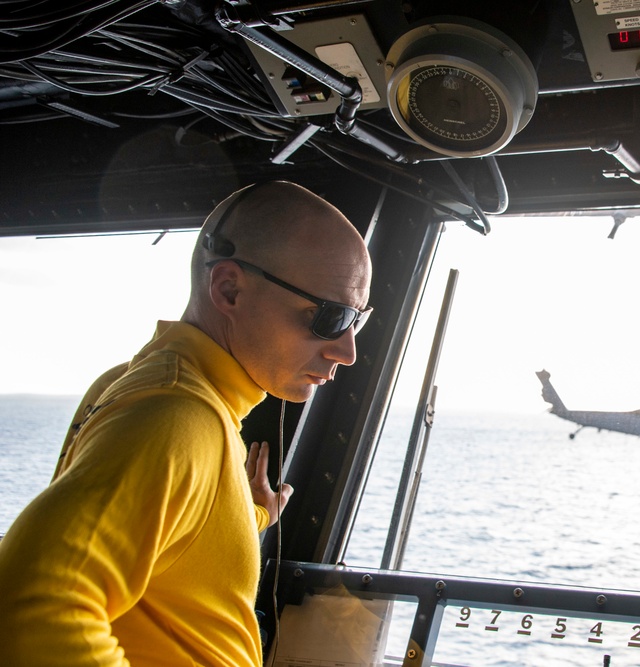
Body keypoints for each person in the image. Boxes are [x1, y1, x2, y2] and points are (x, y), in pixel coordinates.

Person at [0, 181, 373, 667]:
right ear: (229, 289)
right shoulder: (177, 416)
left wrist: (250, 513)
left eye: (356, 321)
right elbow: (33, 604)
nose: (347, 351)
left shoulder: (138, 385)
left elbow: (163, 548)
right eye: (330, 316)